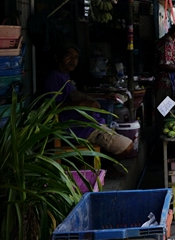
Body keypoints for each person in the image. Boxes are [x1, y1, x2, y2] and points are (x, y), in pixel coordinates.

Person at [43, 43, 133, 173]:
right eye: (69, 56)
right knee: (127, 147)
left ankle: (102, 165)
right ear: (58, 57)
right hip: (79, 129)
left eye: (76, 57)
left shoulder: (65, 77)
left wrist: (102, 96)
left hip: (90, 125)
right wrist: (81, 105)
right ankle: (104, 166)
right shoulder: (53, 77)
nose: (73, 60)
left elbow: (74, 96)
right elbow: (50, 106)